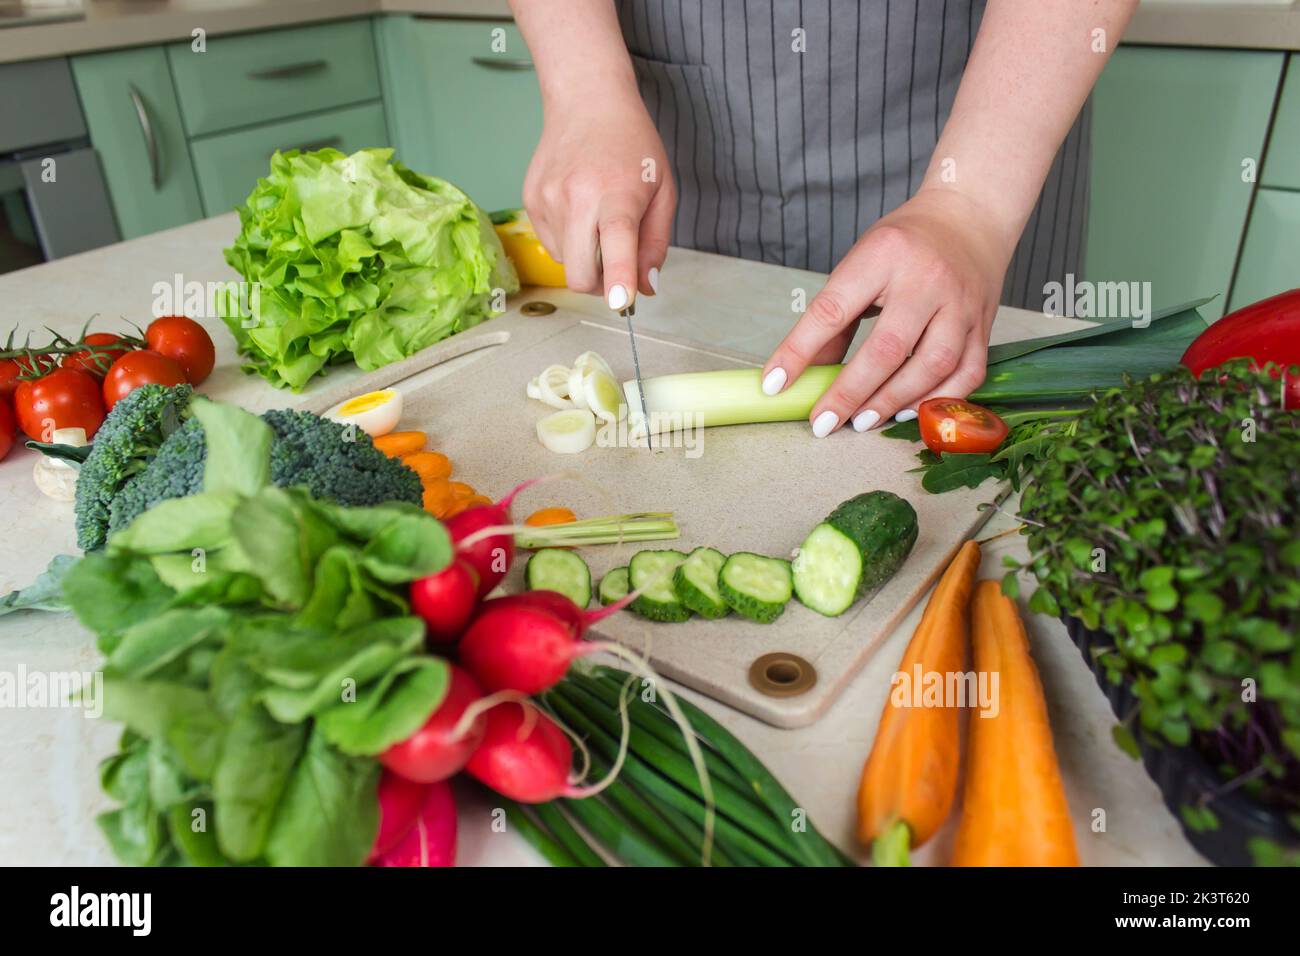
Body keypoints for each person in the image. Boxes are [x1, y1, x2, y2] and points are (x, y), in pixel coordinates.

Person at [509, 0, 1136, 435]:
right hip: (687, 108)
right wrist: (583, 88)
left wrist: (969, 208)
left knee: (962, 387)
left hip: (980, 113)